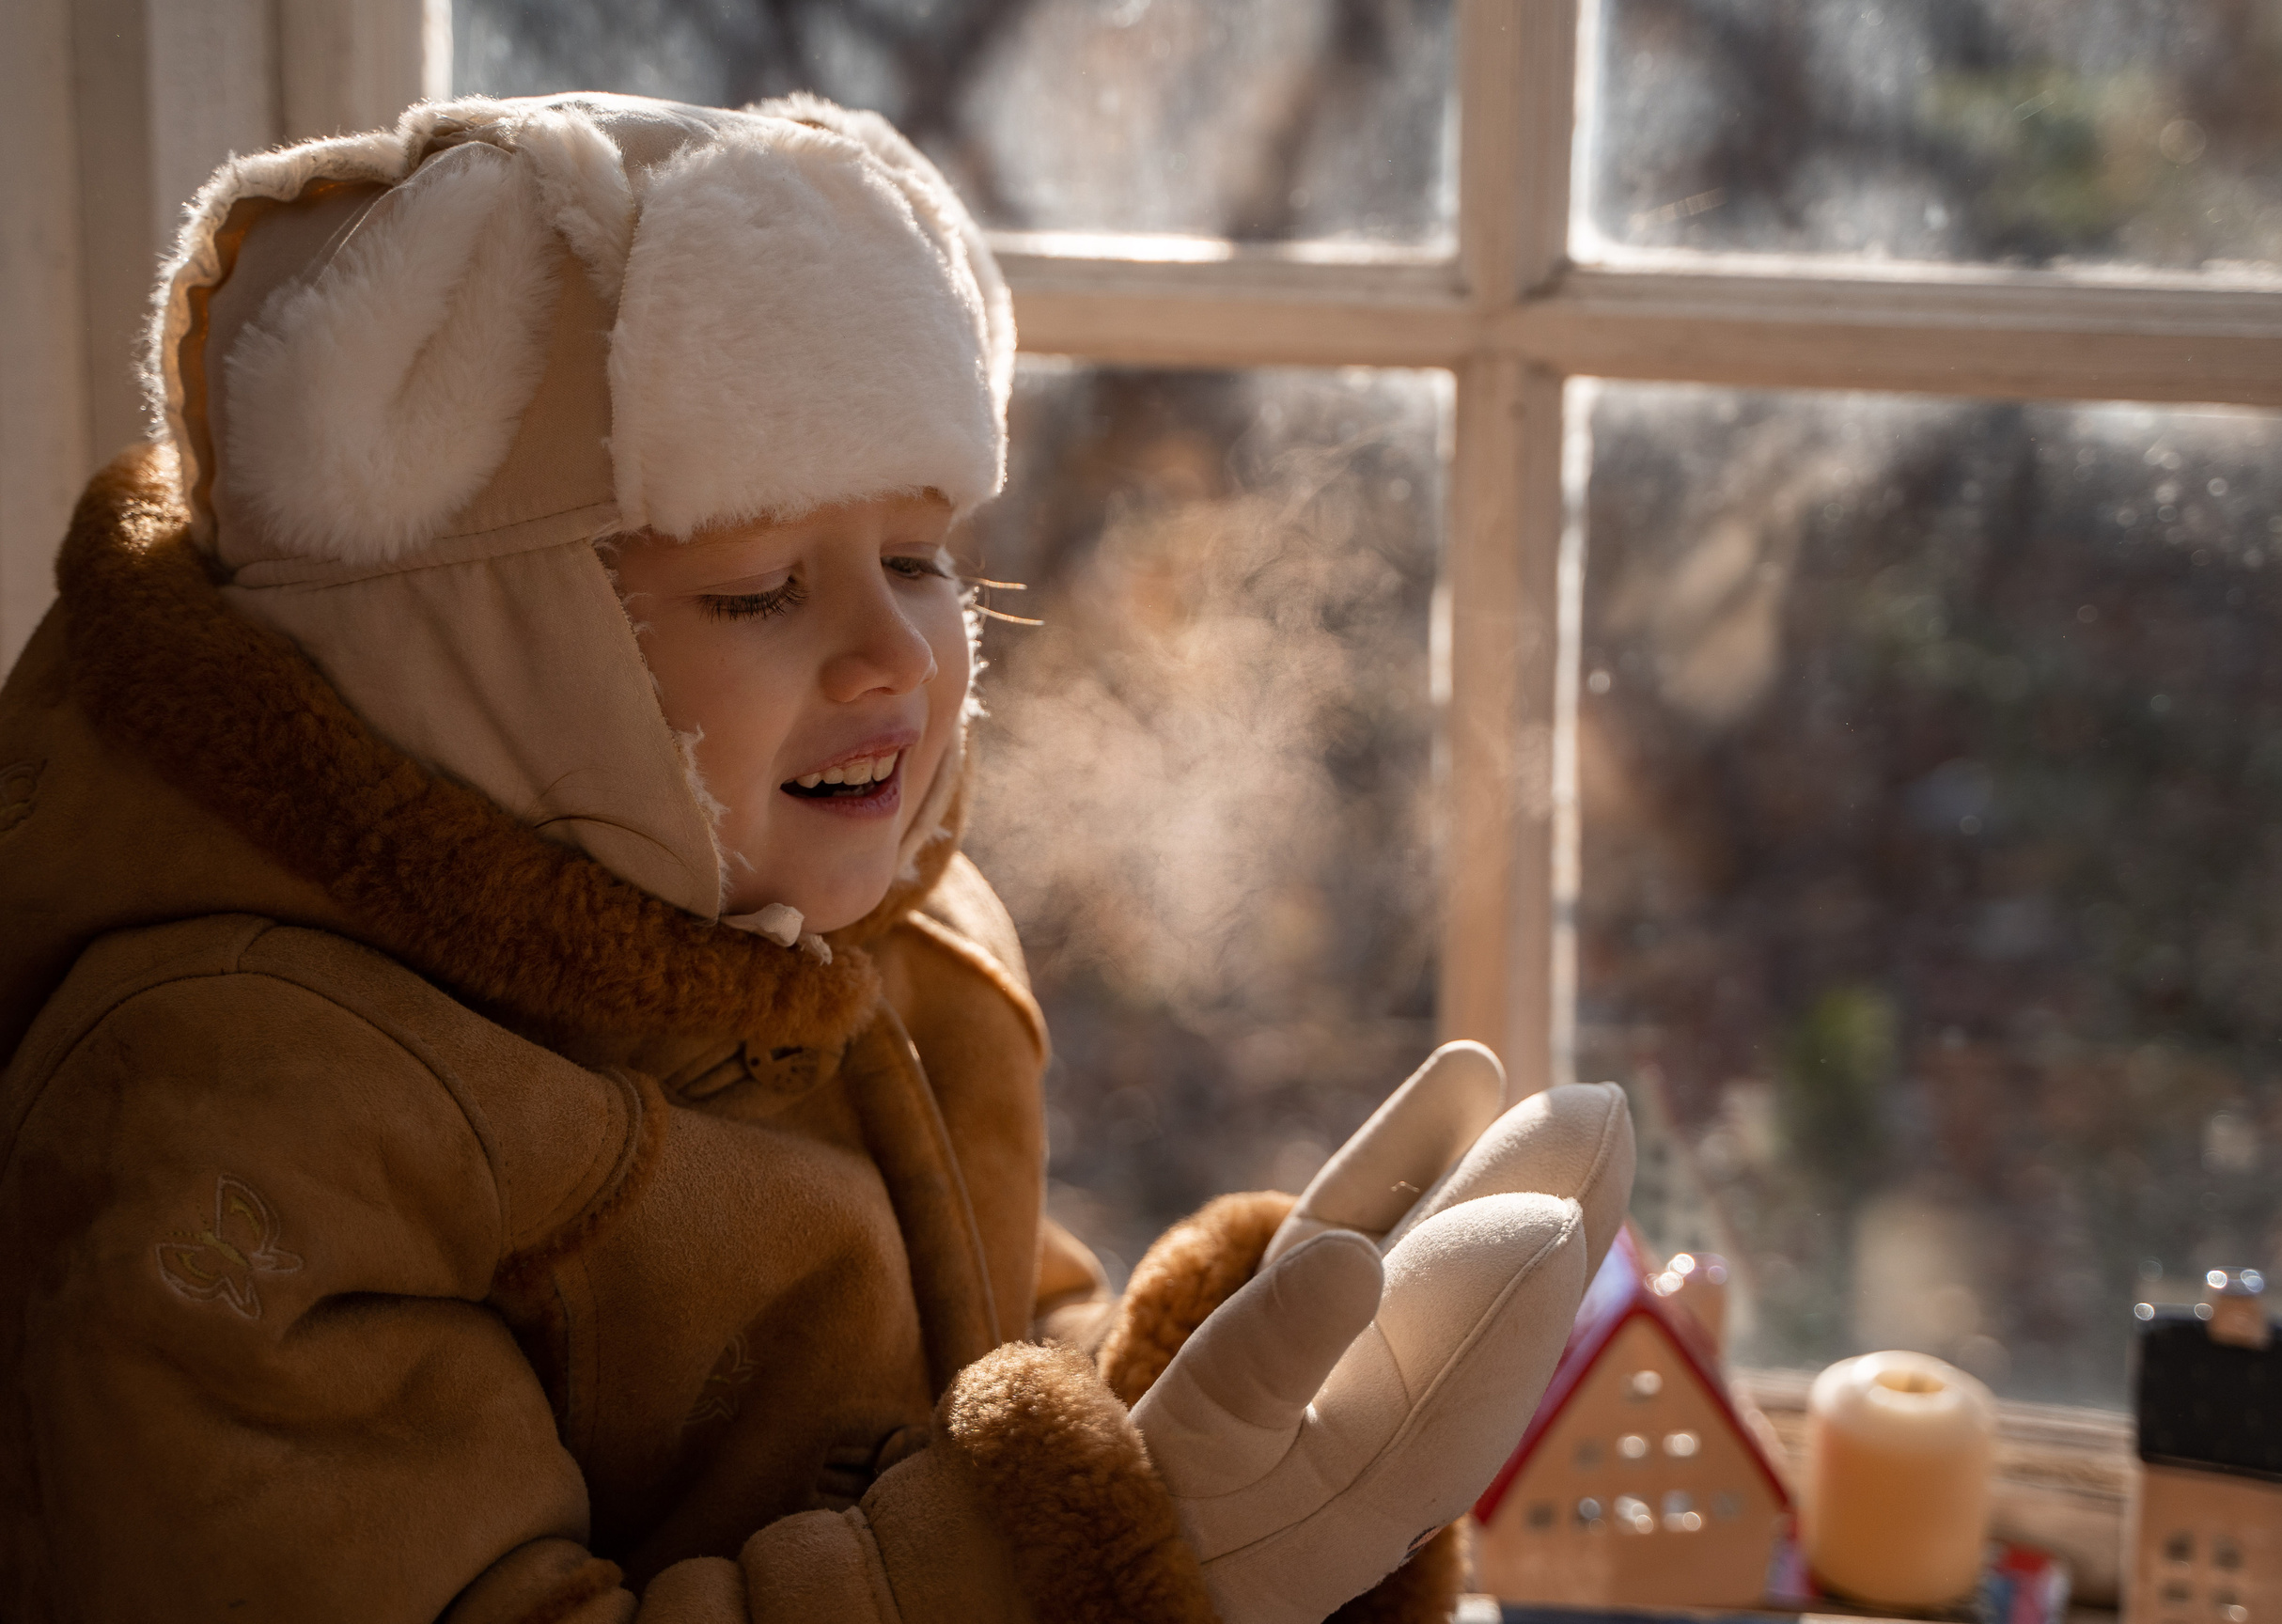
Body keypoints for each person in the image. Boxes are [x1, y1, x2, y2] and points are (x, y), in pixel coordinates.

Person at [0, 92, 1633, 1623]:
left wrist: (1168, 1415)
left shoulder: (876, 938)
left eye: (919, 558)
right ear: (484, 651)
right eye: (759, 590)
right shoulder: (247, 1119)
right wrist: (1097, 1566)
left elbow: (956, 1363)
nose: (893, 661)